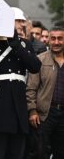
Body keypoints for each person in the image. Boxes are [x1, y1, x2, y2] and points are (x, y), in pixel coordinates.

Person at [0, 6, 41, 159]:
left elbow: (35, 66)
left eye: (22, 21)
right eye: (17, 21)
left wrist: (16, 44)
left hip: (18, 108)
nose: (21, 25)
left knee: (17, 153)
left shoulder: (24, 44)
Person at [26, 26, 64, 159]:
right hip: (44, 115)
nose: (56, 42)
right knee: (39, 153)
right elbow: (31, 88)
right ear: (48, 40)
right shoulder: (40, 59)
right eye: (53, 38)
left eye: (60, 38)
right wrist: (32, 111)